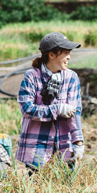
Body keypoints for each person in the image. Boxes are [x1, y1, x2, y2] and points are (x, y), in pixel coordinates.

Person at [16, 32, 84, 173]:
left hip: (64, 144)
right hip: (37, 146)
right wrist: (57, 109)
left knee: (65, 189)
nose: (69, 57)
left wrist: (78, 142)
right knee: (37, 188)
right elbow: (27, 108)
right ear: (51, 55)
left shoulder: (71, 77)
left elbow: (75, 112)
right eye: (65, 53)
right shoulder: (32, 76)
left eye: (69, 52)